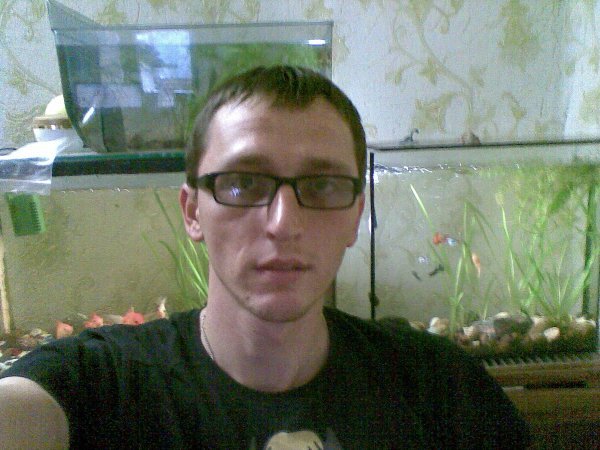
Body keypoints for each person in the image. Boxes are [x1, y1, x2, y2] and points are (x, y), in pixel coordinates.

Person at [0, 65, 530, 449]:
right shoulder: (100, 385)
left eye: (322, 185)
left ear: (355, 215)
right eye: (243, 183)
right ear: (192, 211)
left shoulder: (441, 389)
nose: (283, 223)